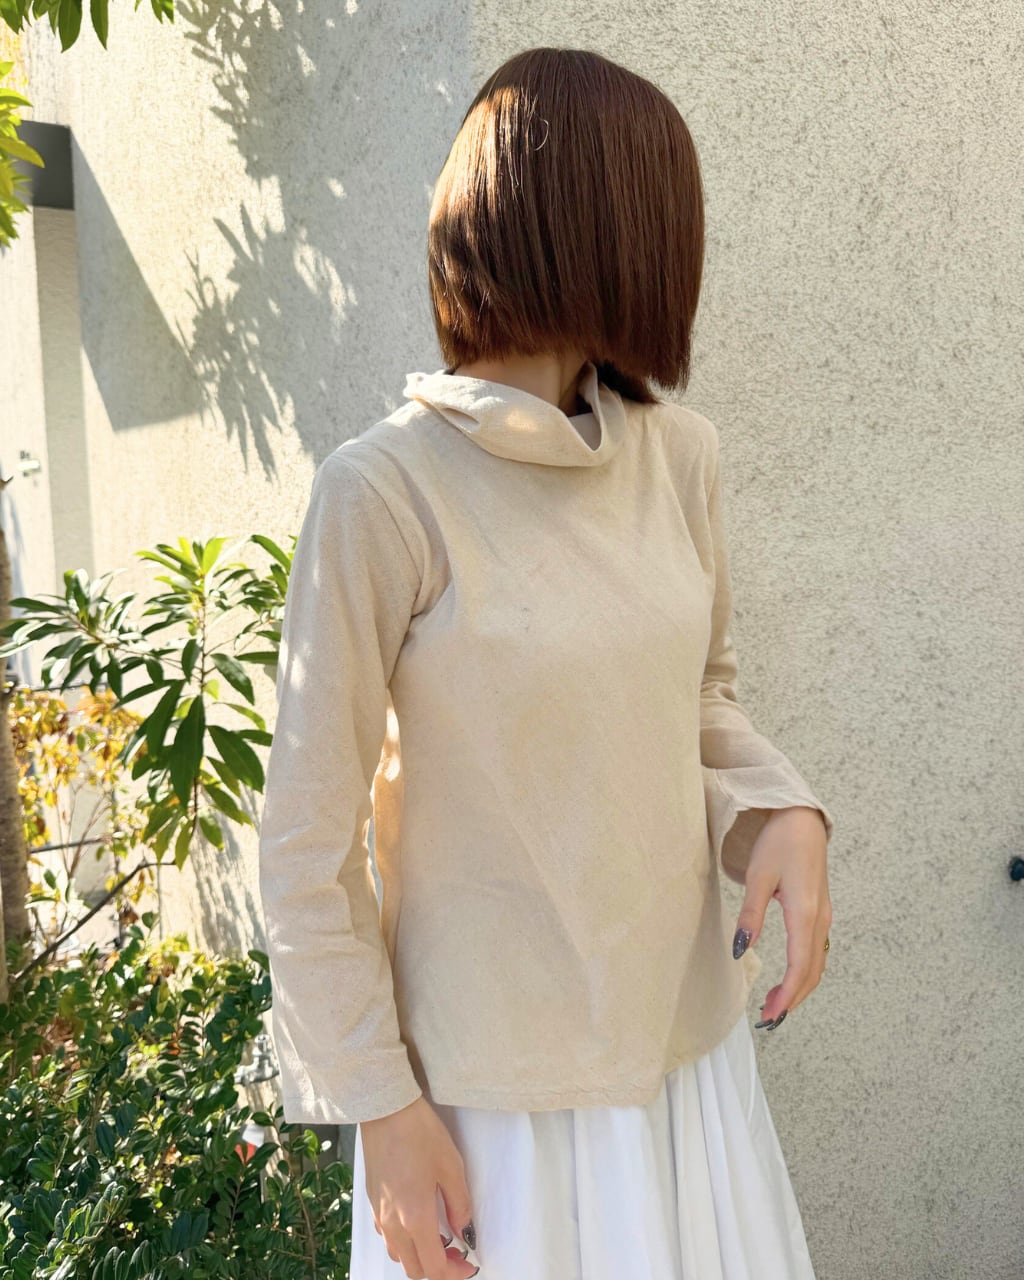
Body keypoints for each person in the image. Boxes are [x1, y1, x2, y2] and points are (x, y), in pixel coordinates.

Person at [258, 44, 835, 1280]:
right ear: (607, 231)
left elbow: (699, 697)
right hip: (488, 1109)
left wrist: (774, 808)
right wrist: (378, 1103)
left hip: (680, 1065)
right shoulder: (384, 492)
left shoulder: (678, 458)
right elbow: (303, 843)